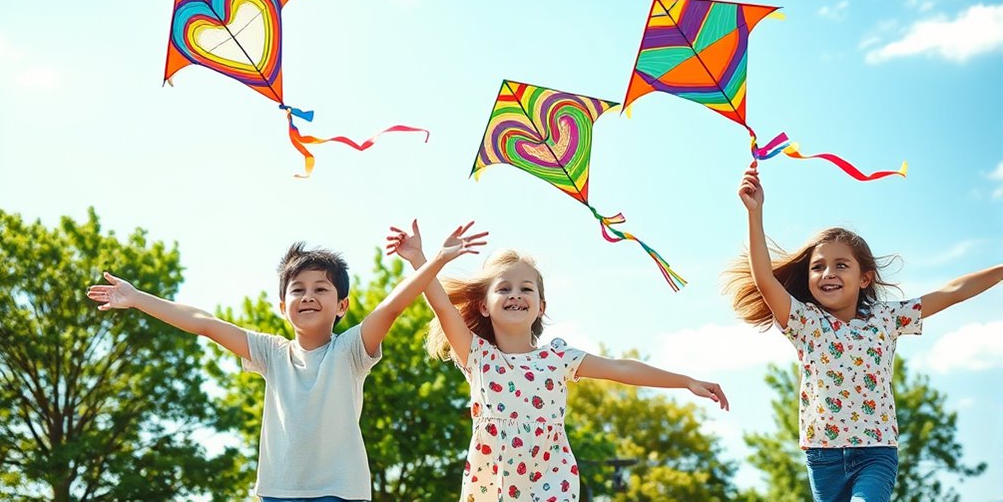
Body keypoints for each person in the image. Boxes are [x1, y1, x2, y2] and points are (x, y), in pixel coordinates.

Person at [86, 225, 485, 502]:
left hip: (340, 492)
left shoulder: (350, 351)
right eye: (298, 290)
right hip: (278, 491)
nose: (308, 296)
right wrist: (138, 298)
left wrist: (431, 260)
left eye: (321, 289)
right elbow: (204, 323)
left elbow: (391, 307)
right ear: (283, 306)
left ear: (341, 306)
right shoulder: (271, 353)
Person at [386, 220, 729, 502]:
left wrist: (686, 381)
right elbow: (442, 306)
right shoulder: (478, 356)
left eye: (526, 289)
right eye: (504, 289)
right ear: (483, 306)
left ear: (541, 306)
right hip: (494, 484)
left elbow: (621, 368)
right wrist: (424, 259)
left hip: (551, 481)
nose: (516, 295)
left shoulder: (558, 358)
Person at [726, 164, 1003, 502]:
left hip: (877, 451)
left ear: (865, 278)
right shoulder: (805, 322)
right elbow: (765, 280)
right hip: (823, 456)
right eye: (818, 267)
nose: (828, 273)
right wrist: (754, 214)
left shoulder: (887, 318)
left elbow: (952, 291)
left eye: (841, 265)